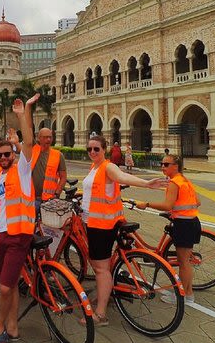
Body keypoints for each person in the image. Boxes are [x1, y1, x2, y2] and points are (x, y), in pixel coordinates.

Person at [81, 135, 165, 326]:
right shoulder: (94, 167)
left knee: (101, 269)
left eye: (96, 149)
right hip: (93, 222)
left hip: (102, 226)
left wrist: (146, 183)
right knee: (101, 266)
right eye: (89, 149)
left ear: (105, 150)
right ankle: (105, 293)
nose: (92, 152)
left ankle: (100, 314)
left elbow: (121, 177)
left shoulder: (108, 167)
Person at [0, 94, 38, 343]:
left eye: (8, 153)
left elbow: (29, 142)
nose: (4, 157)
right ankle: (14, 327)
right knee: (11, 283)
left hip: (19, 236)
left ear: (13, 154)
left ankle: (0, 327)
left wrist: (22, 113)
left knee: (4, 287)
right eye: (0, 155)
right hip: (2, 234)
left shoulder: (22, 169)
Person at [136, 154, 201, 304]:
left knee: (183, 262)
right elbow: (197, 202)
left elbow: (167, 205)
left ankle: (185, 296)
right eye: (162, 164)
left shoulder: (174, 183)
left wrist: (146, 204)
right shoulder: (184, 180)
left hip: (183, 224)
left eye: (166, 164)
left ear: (175, 166)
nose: (162, 167)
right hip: (192, 222)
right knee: (185, 261)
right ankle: (187, 293)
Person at [30, 127, 67, 212]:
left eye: (50, 137)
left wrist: (57, 194)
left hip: (49, 200)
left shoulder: (58, 155)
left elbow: (63, 177)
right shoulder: (32, 151)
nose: (48, 139)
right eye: (45, 137)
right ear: (39, 138)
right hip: (32, 198)